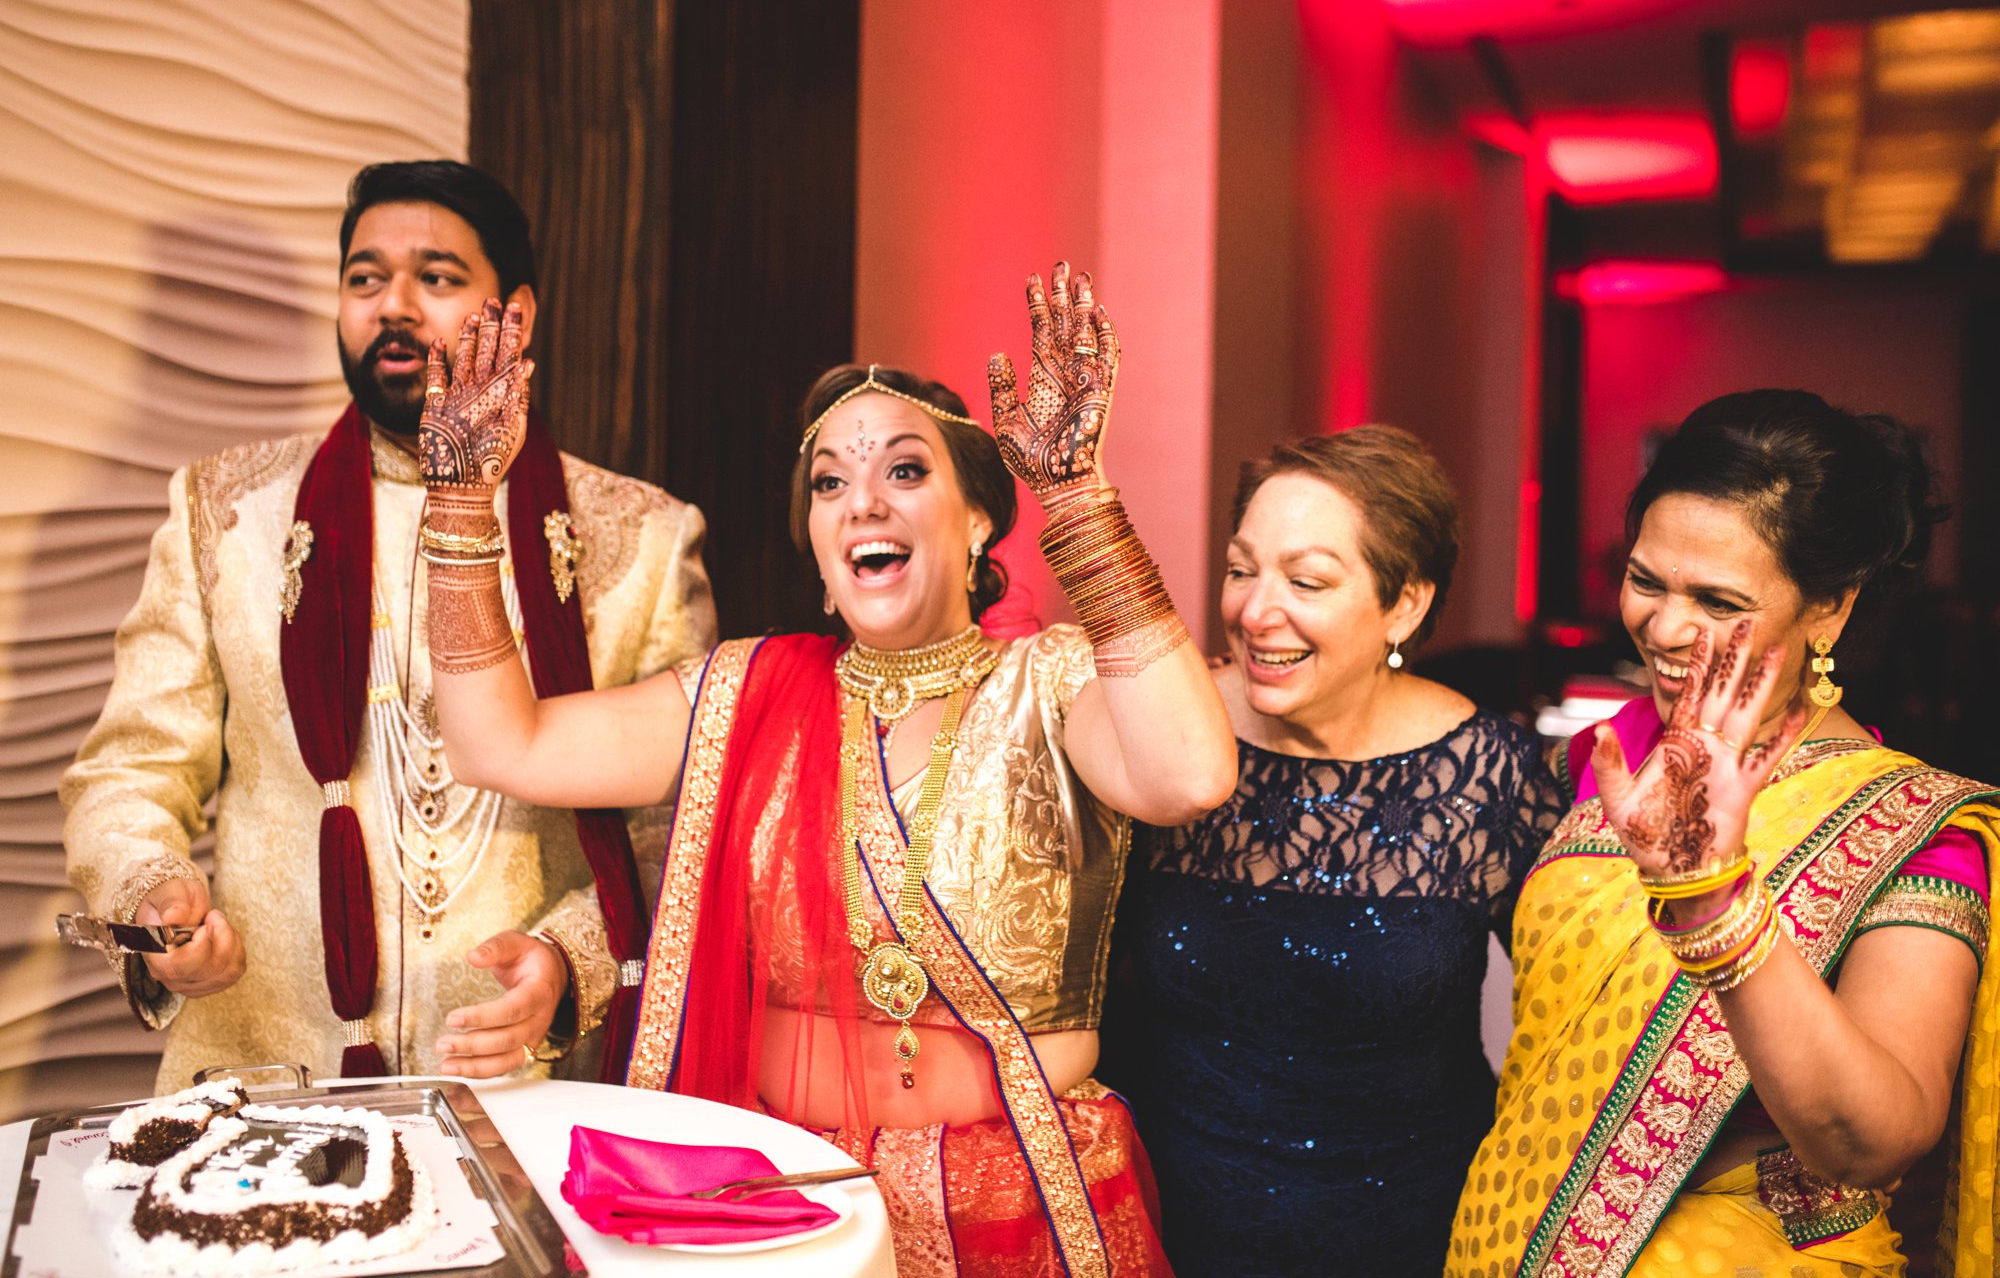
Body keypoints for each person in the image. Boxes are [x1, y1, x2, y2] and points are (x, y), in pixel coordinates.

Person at [419, 259, 1238, 1277]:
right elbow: (503, 743)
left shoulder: (1050, 678)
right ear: (812, 540)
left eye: (904, 470)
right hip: (787, 1201)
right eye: (828, 483)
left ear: (978, 518)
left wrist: (1075, 498)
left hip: (1021, 1197)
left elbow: (1190, 774)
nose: (863, 503)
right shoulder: (742, 694)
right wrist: (457, 508)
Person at [61, 158, 715, 1089]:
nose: (392, 304)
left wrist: (573, 966)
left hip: (523, 1086)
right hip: (264, 1081)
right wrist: (152, 901)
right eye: (365, 278)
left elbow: (682, 827)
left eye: (437, 278)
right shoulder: (228, 513)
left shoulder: (640, 536)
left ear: (515, 316)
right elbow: (127, 771)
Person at [1449, 389, 2000, 1278]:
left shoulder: (1912, 831)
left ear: (1829, 608)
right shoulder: (1598, 763)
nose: (1666, 628)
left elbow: (1876, 1142)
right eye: (1645, 580)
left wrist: (1716, 908)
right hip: (1509, 1243)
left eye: (1718, 598)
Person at [1101, 426, 1563, 1278]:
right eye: (1242, 570)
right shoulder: (1166, 741)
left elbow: (1575, 1031)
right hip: (1163, 1234)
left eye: (1306, 580)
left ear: (1406, 605)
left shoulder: (1493, 777)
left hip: (1413, 1238)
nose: (1253, 610)